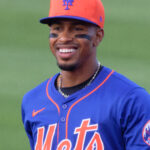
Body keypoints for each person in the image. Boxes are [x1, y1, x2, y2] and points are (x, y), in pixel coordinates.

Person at [21, 0, 150, 149]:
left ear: (98, 36)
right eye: (57, 28)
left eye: (76, 29)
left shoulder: (131, 100)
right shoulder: (33, 101)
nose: (64, 38)